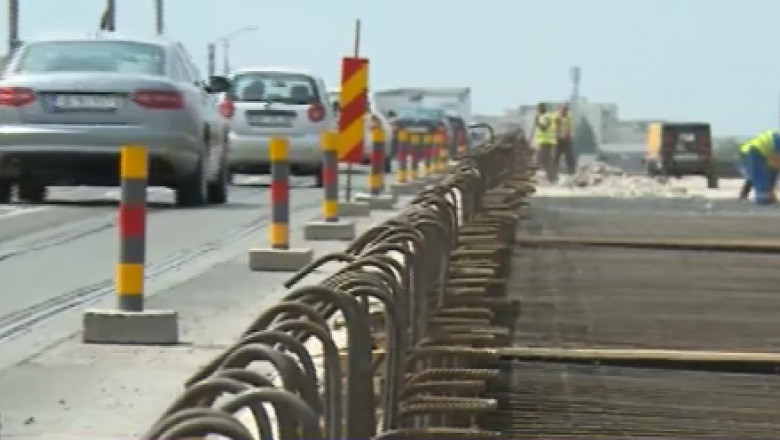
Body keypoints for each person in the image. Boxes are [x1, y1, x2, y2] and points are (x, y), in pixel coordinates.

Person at [737, 130, 780, 204]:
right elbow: (774, 167)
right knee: (763, 189)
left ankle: (743, 196)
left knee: (757, 176)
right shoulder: (778, 140)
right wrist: (771, 190)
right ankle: (763, 202)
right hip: (754, 152)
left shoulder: (776, 137)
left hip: (748, 152)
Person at [533, 102, 558, 182]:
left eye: (538, 108)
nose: (537, 110)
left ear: (541, 108)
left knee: (541, 159)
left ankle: (552, 178)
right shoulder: (544, 116)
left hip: (546, 142)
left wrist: (537, 122)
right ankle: (552, 178)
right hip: (544, 141)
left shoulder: (546, 116)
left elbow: (544, 128)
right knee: (546, 160)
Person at [554, 103, 577, 175]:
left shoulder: (569, 116)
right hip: (558, 139)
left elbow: (569, 127)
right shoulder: (556, 116)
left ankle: (572, 172)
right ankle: (553, 173)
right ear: (560, 110)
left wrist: (568, 136)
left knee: (569, 156)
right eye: (563, 110)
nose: (565, 112)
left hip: (566, 139)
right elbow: (554, 128)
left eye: (566, 110)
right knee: (556, 156)